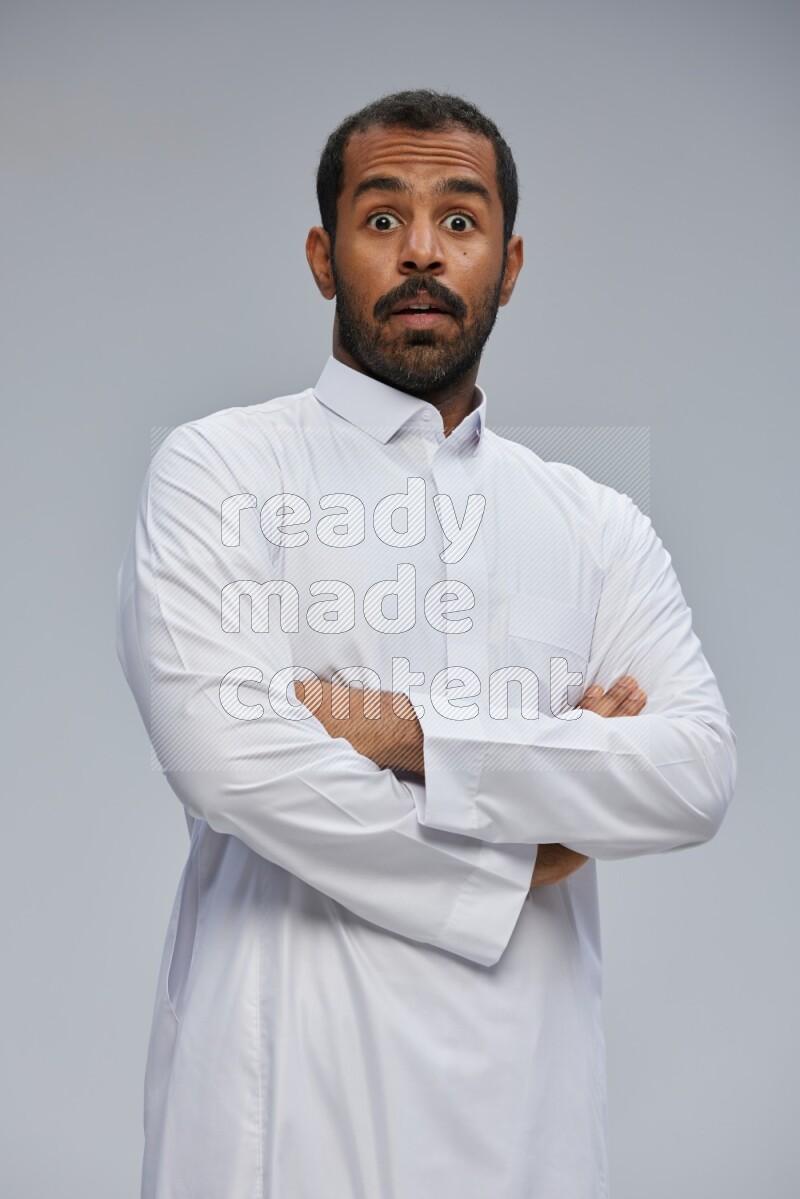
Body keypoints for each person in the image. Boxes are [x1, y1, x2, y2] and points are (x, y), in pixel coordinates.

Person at [116, 88, 737, 1199]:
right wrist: (529, 837)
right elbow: (227, 755)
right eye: (379, 217)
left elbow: (689, 775)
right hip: (276, 1112)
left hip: (526, 1117)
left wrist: (403, 734)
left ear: (507, 263)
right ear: (321, 256)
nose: (420, 252)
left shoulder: (593, 524)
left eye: (459, 221)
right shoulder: (221, 469)